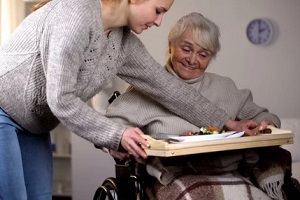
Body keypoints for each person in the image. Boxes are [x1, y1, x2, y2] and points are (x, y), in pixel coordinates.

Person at [0, 0, 259, 199]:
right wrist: (117, 134)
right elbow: (61, 99)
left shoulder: (122, 42)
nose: (159, 21)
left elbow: (168, 88)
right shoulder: (75, 15)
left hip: (34, 126)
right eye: (158, 10)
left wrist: (227, 123)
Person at [105, 12, 298, 199]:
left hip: (229, 172)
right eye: (186, 49)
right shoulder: (144, 91)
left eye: (203, 54)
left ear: (211, 57)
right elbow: (111, 127)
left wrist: (264, 125)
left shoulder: (225, 87)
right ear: (171, 46)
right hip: (173, 177)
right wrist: (118, 141)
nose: (192, 60)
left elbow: (267, 118)